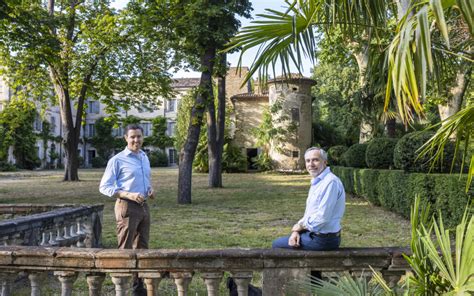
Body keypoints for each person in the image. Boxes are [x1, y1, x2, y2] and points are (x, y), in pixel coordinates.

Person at [99, 123, 154, 296]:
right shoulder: (117, 160)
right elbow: (104, 187)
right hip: (127, 207)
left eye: (139, 136)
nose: (136, 140)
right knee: (125, 249)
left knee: (142, 248)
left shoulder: (144, 156)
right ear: (126, 138)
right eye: (132, 137)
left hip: (144, 206)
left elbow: (145, 180)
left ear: (142, 137)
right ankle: (121, 289)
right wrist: (128, 195)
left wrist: (150, 190)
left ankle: (138, 288)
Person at [272, 147, 345, 251]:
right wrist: (296, 231)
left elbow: (322, 218)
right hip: (316, 234)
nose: (311, 164)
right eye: (308, 161)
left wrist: (301, 227)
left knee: (277, 244)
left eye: (315, 160)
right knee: (288, 240)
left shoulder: (330, 182)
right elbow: (310, 213)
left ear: (325, 162)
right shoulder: (318, 181)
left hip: (324, 240)